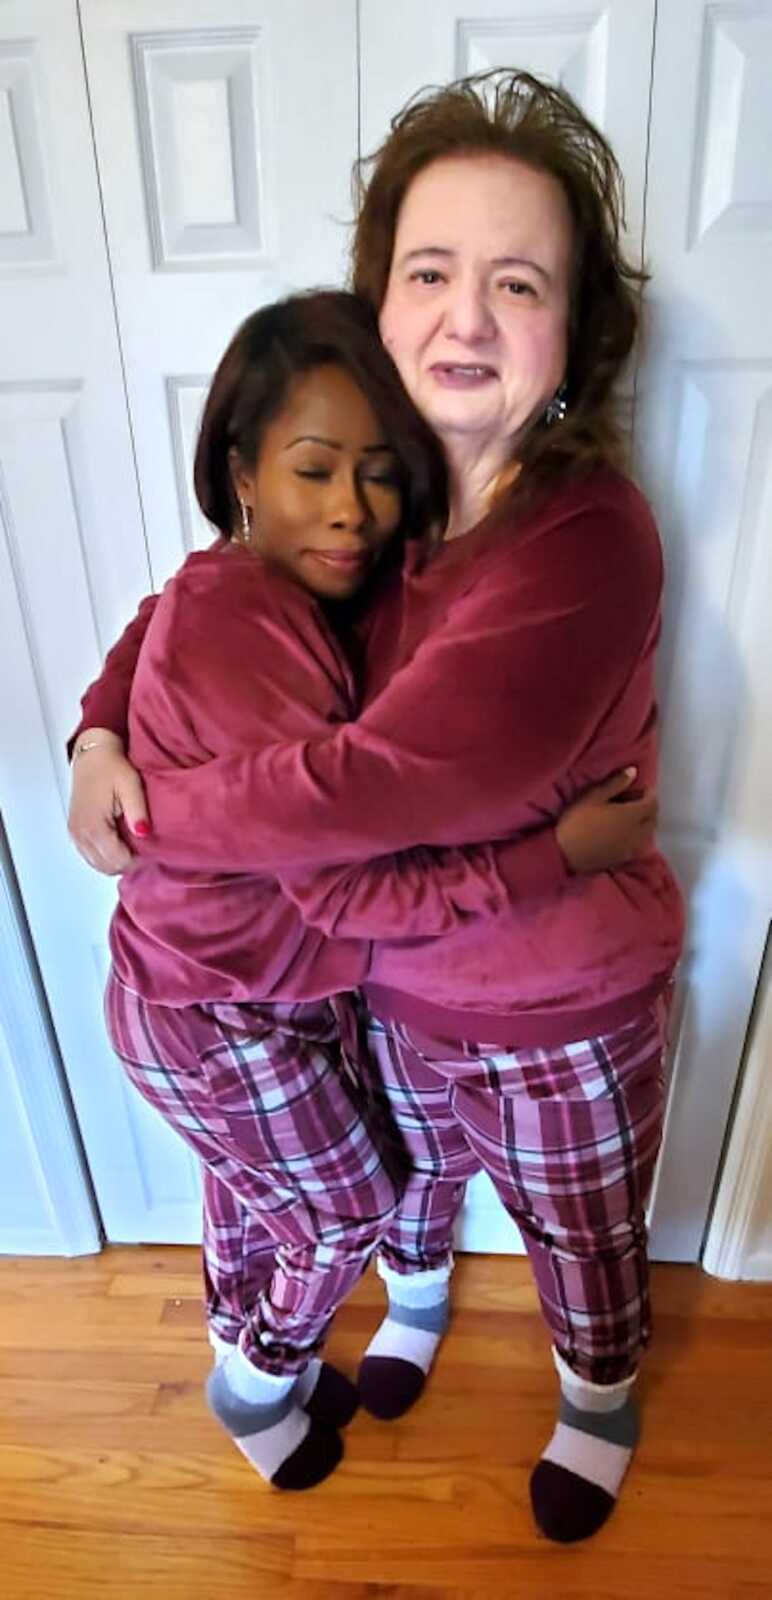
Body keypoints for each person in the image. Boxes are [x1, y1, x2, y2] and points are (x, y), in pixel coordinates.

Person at [69, 71, 682, 1542]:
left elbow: (380, 789)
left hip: (562, 1004)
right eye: (431, 272)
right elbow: (186, 602)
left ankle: (599, 1392)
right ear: (378, 297)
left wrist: (160, 822)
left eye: (517, 282)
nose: (467, 318)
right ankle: (405, 1314)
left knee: (580, 1231)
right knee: (409, 1192)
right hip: (388, 992)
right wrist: (101, 729)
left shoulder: (586, 538)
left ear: (574, 334)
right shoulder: (367, 506)